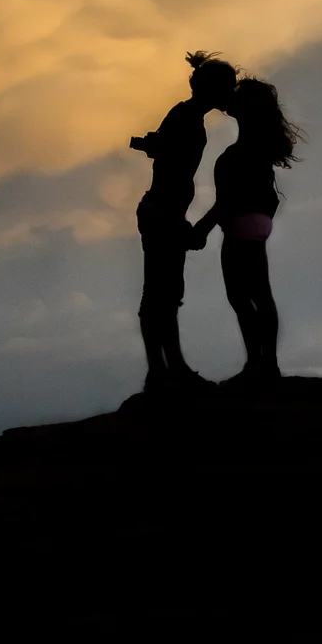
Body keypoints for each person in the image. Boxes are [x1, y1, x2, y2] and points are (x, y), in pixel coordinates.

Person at [131, 53, 237, 391]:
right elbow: (170, 163)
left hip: (165, 211)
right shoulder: (185, 117)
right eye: (227, 88)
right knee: (161, 294)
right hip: (163, 212)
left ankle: (168, 368)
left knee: (166, 292)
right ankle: (162, 370)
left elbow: (164, 155)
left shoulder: (187, 115)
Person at [192, 76, 302, 387]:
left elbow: (228, 199)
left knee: (242, 296)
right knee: (258, 294)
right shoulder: (256, 147)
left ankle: (260, 364)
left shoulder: (243, 151)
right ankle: (266, 364)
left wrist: (203, 227)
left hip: (241, 223)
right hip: (257, 223)